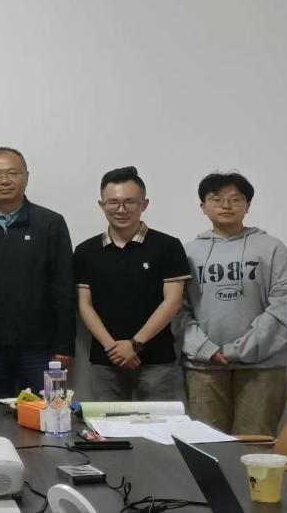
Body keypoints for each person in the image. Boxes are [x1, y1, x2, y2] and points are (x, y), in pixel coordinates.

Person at [173, 172, 287, 436]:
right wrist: (205, 349)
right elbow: (176, 308)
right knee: (208, 444)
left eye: (235, 199)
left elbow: (284, 304)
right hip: (204, 366)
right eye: (216, 199)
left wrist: (240, 349)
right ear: (203, 206)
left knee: (255, 445)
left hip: (262, 366)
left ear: (247, 205)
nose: (226, 205)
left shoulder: (271, 248)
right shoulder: (187, 252)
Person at [0, 147, 76, 403]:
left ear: (26, 177)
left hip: (40, 349)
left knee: (45, 415)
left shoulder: (50, 223)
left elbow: (64, 287)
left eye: (13, 173)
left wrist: (64, 346)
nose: (4, 180)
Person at [74, 167, 191, 401]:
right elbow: (84, 305)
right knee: (107, 424)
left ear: (143, 204)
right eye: (113, 203)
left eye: (130, 202)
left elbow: (173, 302)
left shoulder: (168, 246)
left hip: (157, 359)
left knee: (159, 423)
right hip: (106, 359)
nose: (121, 209)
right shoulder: (86, 251)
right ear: (102, 205)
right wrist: (113, 348)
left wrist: (135, 344)